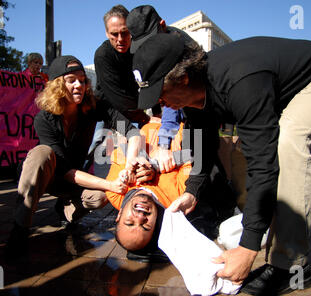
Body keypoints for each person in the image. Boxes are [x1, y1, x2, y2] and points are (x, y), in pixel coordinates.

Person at [131, 33, 311, 296]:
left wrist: (248, 248)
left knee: (288, 142)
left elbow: (263, 165)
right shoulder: (196, 94)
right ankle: (272, 235)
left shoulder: (239, 81)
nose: (158, 105)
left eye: (159, 94)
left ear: (183, 78)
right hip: (287, 90)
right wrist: (191, 191)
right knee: (259, 145)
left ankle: (291, 268)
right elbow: (202, 146)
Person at [5, 55, 141, 260]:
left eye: (83, 80)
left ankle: (66, 211)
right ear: (58, 85)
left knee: (103, 196)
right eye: (72, 80)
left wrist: (130, 163)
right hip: (49, 175)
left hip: (75, 180)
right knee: (42, 153)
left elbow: (132, 132)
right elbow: (64, 171)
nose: (80, 85)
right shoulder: (44, 118)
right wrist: (110, 183)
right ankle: (20, 226)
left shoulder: (95, 106)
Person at [106, 114, 225, 262]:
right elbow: (197, 157)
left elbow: (121, 150)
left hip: (151, 121)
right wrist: (156, 165)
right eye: (145, 226)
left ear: (119, 216)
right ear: (156, 224)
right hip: (183, 121)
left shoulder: (115, 192)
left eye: (130, 222)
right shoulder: (177, 198)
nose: (140, 217)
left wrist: (137, 162)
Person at [126, 5, 194, 173]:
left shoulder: (182, 49)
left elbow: (173, 103)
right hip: (175, 111)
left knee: (196, 153)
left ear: (162, 25)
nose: (149, 47)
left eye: (151, 40)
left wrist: (164, 145)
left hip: (195, 110)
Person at [94, 4, 150, 128]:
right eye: (114, 34)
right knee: (103, 146)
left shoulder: (139, 49)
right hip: (107, 113)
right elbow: (117, 97)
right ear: (107, 33)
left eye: (124, 33)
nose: (120, 39)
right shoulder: (102, 55)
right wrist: (146, 117)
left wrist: (156, 112)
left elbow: (148, 80)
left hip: (135, 111)